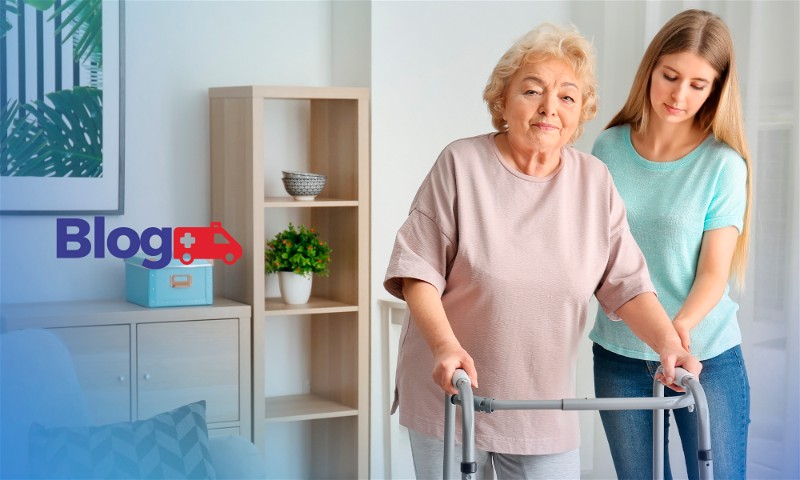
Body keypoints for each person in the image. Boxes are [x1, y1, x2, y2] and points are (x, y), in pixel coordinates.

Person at [384, 23, 701, 479]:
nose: (549, 108)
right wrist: (444, 347)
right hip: (452, 393)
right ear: (503, 101)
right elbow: (418, 270)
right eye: (533, 91)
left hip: (540, 404)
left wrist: (669, 345)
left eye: (567, 97)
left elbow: (627, 284)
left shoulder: (594, 182)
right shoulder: (461, 165)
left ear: (580, 114)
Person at [590, 9, 752, 480]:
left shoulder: (724, 164)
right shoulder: (608, 148)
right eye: (670, 76)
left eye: (698, 85)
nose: (679, 95)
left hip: (706, 354)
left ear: (716, 90)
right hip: (620, 353)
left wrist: (675, 332)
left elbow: (713, 272)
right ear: (651, 69)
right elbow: (598, 254)